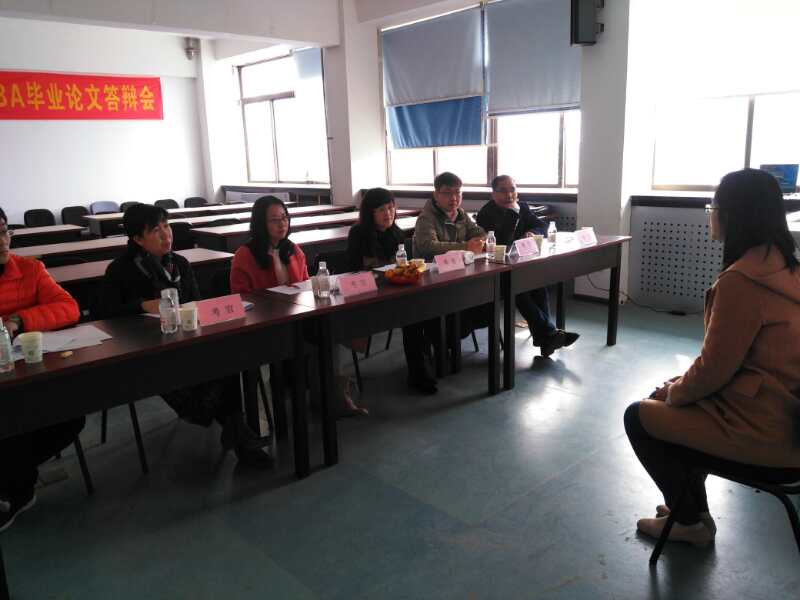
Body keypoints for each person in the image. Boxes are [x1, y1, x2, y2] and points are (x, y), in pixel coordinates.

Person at [625, 168, 800, 547]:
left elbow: (713, 371)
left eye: (713, 207)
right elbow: (726, 362)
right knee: (675, 400)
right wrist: (679, 386)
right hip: (785, 415)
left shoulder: (742, 281)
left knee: (638, 417)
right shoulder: (786, 268)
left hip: (764, 429)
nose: (711, 215)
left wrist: (672, 392)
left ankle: (690, 522)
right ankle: (689, 508)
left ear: (733, 214)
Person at [96, 203, 272, 468]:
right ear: (138, 239)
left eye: (166, 226)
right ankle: (238, 434)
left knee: (229, 358)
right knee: (219, 370)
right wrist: (141, 305)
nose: (166, 234)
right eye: (156, 230)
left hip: (189, 342)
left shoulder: (180, 264)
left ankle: (237, 432)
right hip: (150, 354)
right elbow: (104, 314)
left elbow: (197, 305)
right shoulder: (121, 270)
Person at [231, 196, 366, 416]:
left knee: (328, 329)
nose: (282, 223)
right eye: (274, 220)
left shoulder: (293, 249)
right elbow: (240, 300)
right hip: (265, 324)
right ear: (260, 223)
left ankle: (330, 397)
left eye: (284, 217)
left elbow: (305, 285)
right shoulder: (244, 255)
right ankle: (327, 395)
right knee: (323, 335)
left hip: (297, 317)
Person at [0, 206, 85, 532]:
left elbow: (69, 308)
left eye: (4, 232)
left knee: (69, 414)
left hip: (34, 371)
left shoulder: (30, 269)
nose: (2, 241)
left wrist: (19, 320)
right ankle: (16, 485)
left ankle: (14, 482)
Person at [476, 175, 579, 357]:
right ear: (493, 194)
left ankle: (545, 338)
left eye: (512, 189)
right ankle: (549, 334)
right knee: (519, 291)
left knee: (538, 286)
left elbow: (541, 225)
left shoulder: (521, 206)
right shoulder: (486, 213)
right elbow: (502, 242)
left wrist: (532, 232)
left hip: (521, 263)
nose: (509, 195)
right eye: (503, 191)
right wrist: (512, 214)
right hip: (496, 268)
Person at [347, 188, 438, 394]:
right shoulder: (358, 234)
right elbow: (354, 270)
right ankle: (420, 372)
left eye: (391, 208)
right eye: (381, 209)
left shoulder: (396, 232)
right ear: (370, 212)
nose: (388, 213)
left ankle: (423, 369)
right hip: (367, 296)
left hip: (394, 290)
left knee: (423, 310)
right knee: (412, 314)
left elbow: (400, 267)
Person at [412, 171, 486, 260]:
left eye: (457, 192)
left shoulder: (461, 214)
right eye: (447, 193)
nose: (453, 198)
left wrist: (480, 241)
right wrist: (466, 246)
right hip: (431, 266)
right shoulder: (426, 217)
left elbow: (478, 232)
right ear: (436, 195)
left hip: (459, 264)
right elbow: (429, 247)